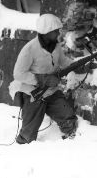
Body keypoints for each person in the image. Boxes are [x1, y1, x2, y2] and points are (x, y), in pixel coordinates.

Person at [10, 13, 78, 144]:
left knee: (68, 118)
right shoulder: (29, 49)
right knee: (28, 135)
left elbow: (64, 62)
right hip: (32, 93)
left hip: (51, 91)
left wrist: (79, 66)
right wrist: (43, 79)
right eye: (55, 31)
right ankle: (21, 151)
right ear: (46, 32)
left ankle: (71, 144)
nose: (58, 33)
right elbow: (18, 74)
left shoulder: (56, 46)